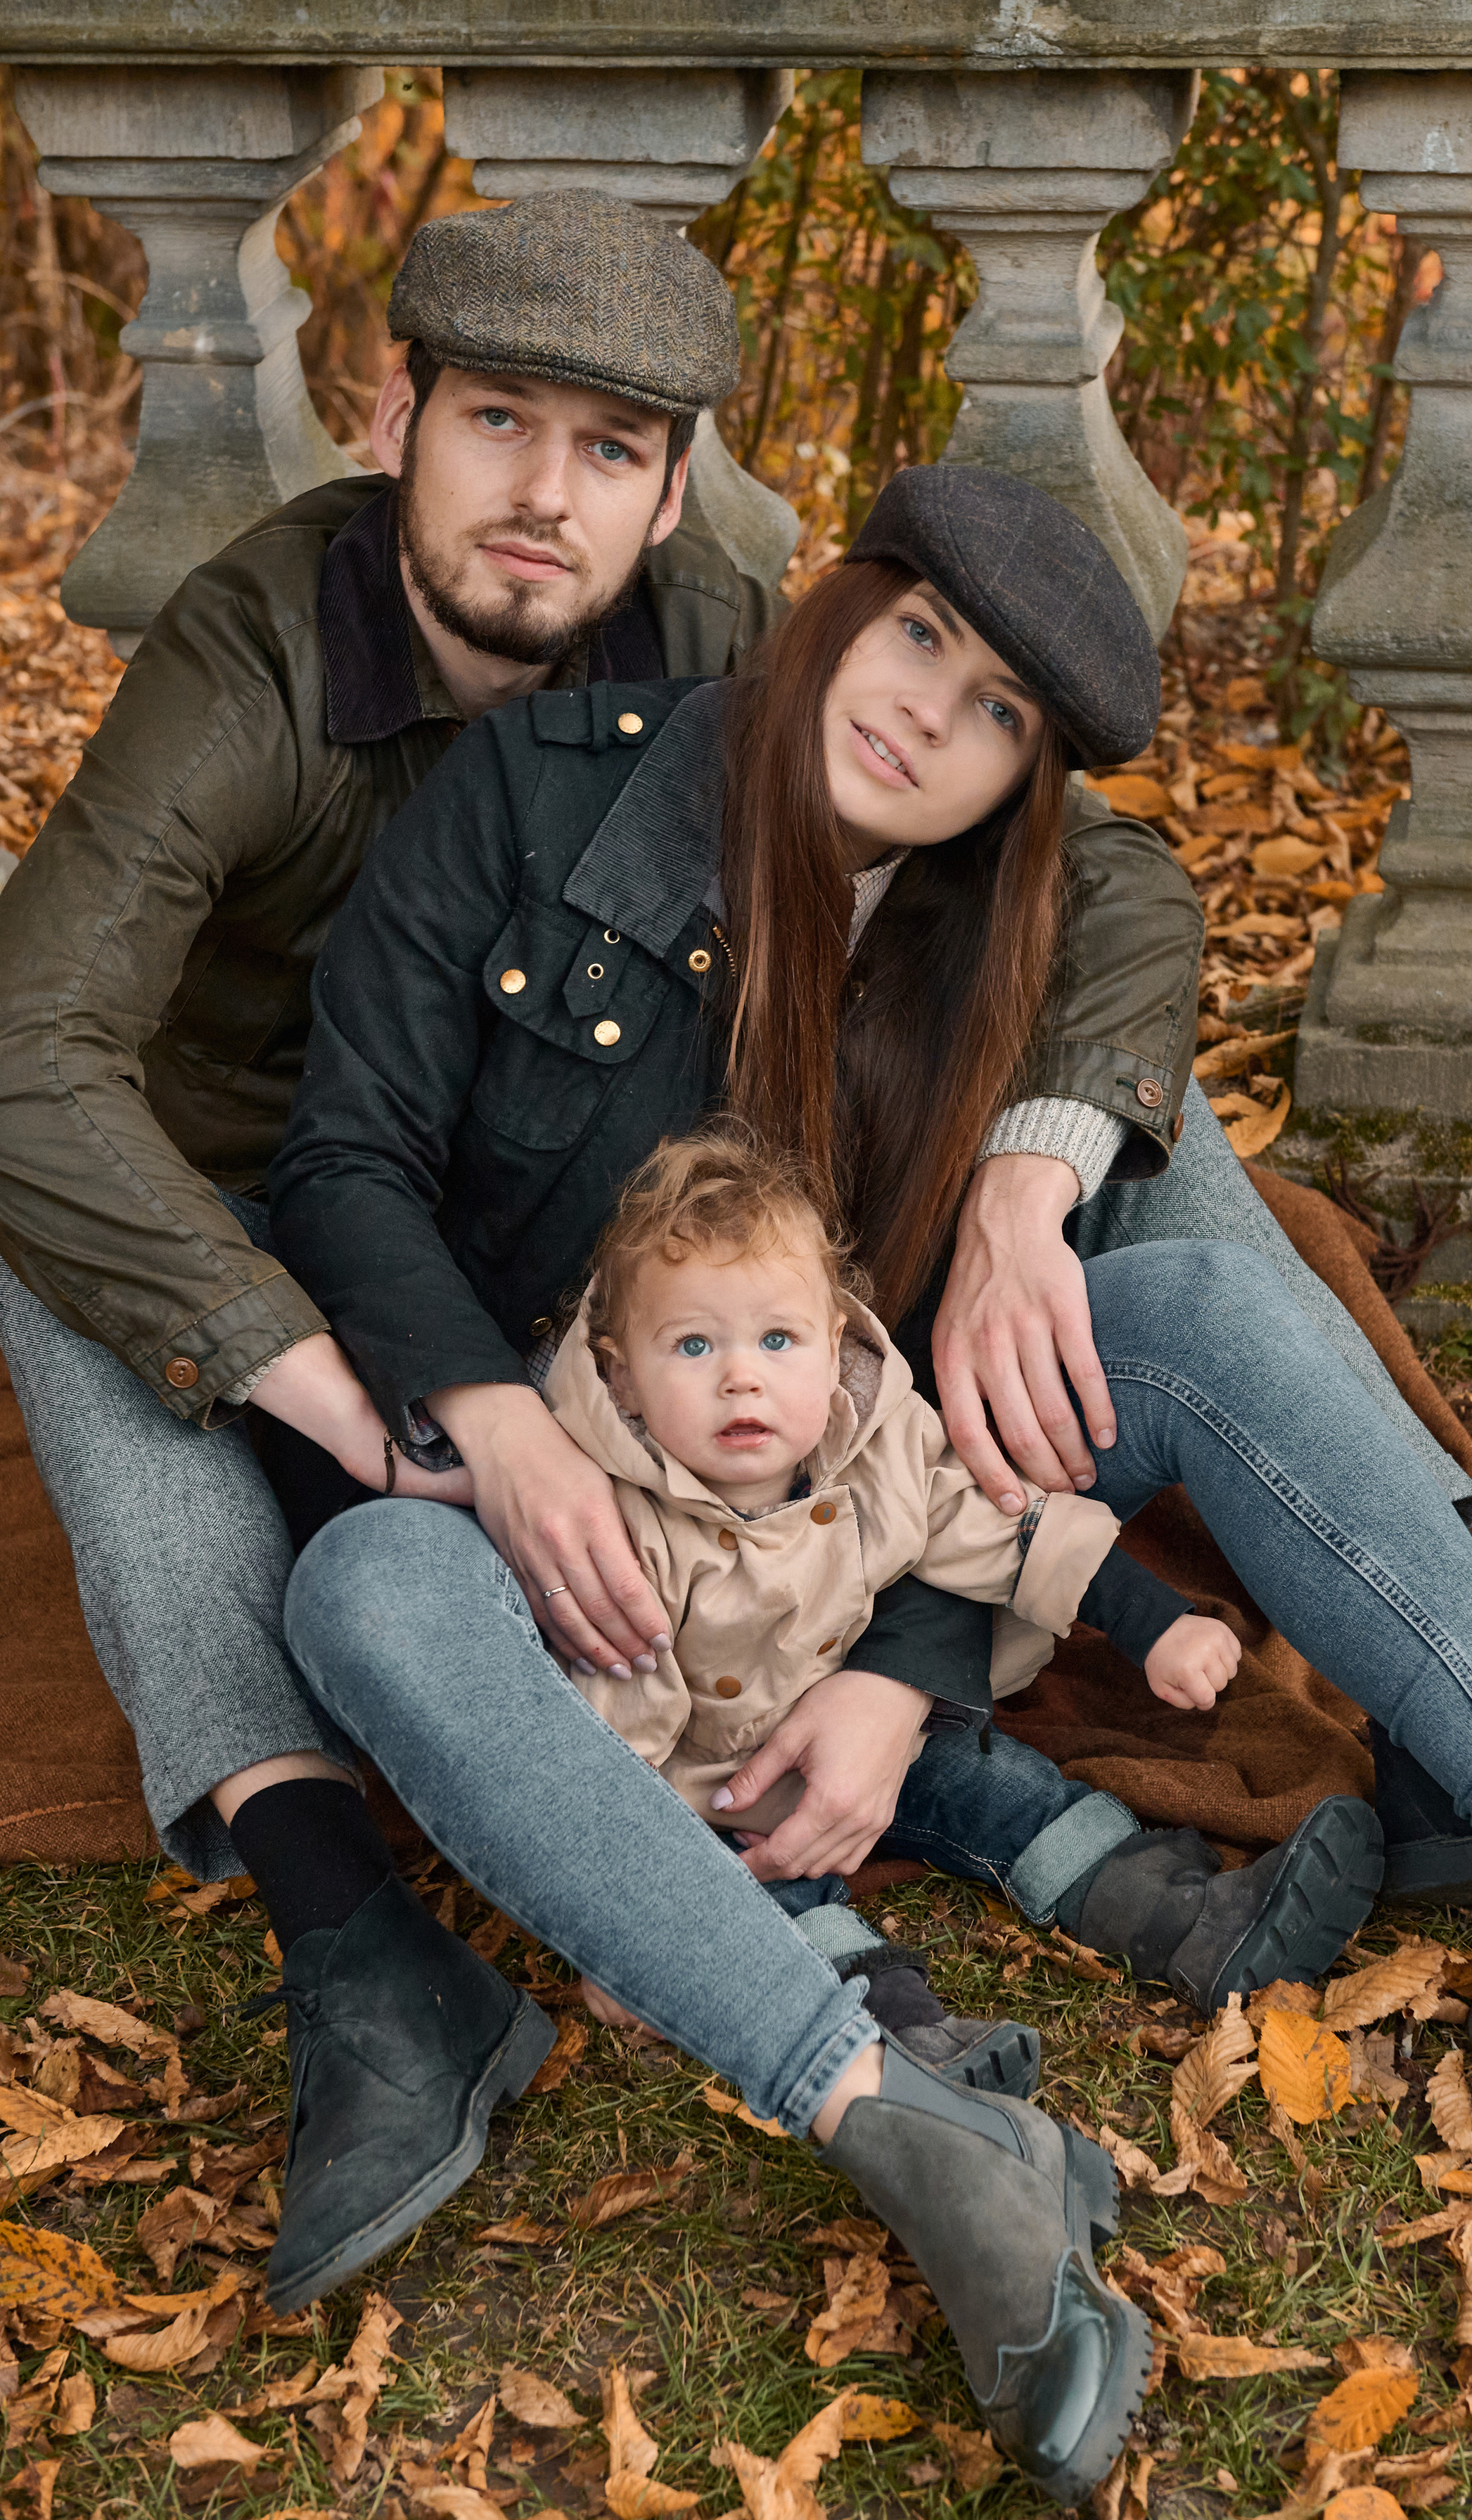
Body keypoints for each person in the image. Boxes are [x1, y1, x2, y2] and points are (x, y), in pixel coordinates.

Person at [274, 463, 1472, 2413]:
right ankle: (902, 2117)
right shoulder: (551, 789)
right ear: (842, 603)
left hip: (867, 1512)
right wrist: (495, 1426)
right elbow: (342, 1160)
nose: (928, 710)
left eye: (998, 711)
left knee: (1214, 1305)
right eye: (919, 635)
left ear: (1025, 781)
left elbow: (934, 1403)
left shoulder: (992, 935)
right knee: (359, 1584)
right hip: (575, 1540)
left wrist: (904, 1672)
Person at [0, 191, 1211, 2310]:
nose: (546, 499)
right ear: (396, 414)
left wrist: (1026, 1170)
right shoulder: (258, 641)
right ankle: (363, 1956)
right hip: (247, 1188)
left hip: (568, 1219)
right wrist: (344, 1391)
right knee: (72, 1273)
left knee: (1140, 1175)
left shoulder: (735, 634)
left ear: (676, 487)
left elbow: (1104, 886)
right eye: (496, 423)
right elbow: (25, 1048)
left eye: (614, 450)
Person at [544, 1121, 1382, 2043]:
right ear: (621, 1380)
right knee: (783, 1914)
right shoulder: (622, 1529)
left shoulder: (875, 1446)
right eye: (694, 1347)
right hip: (719, 1804)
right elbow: (610, 1748)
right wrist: (624, 1928)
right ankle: (903, 2055)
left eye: (777, 1339)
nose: (743, 1378)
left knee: (1009, 1788)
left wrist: (1160, 1625)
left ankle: (1181, 1919)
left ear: (834, 1352)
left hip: (883, 1742)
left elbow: (1010, 1529)